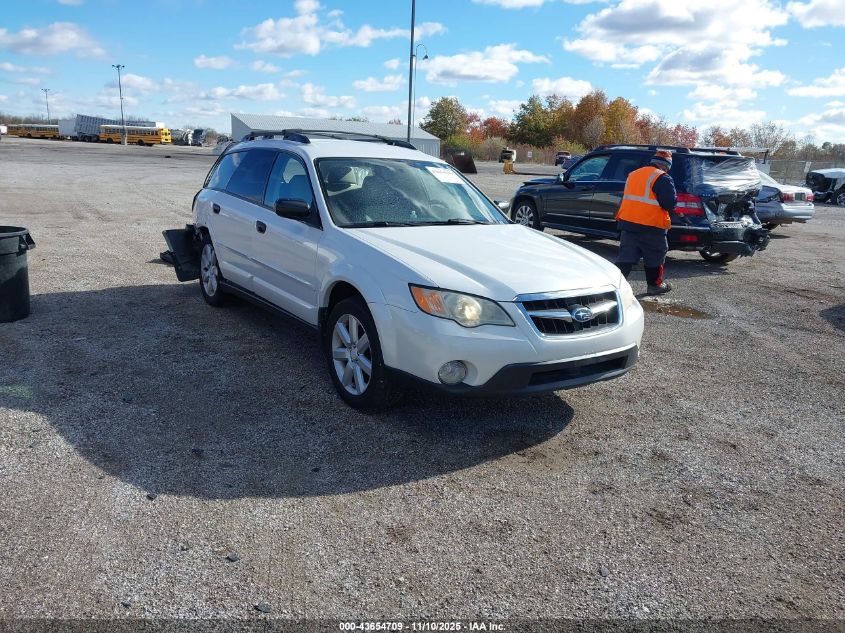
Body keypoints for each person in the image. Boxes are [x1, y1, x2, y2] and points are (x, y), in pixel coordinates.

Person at [614, 149, 677, 295]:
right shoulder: (663, 178)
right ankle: (655, 285)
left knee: (626, 257)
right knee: (655, 256)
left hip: (628, 223)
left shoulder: (633, 174)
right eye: (668, 167)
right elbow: (669, 204)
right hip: (651, 225)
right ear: (666, 165)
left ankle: (613, 285)